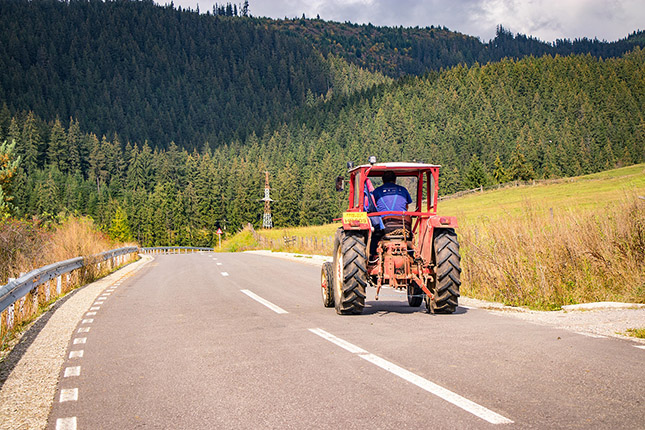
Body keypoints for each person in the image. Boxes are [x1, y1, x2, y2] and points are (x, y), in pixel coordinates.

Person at [369, 171, 412, 261]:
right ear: (395, 180)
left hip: (385, 226)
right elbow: (406, 207)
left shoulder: (376, 191)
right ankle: (411, 255)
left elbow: (373, 206)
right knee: (410, 237)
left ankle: (372, 256)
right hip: (403, 226)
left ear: (383, 180)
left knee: (373, 235)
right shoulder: (403, 190)